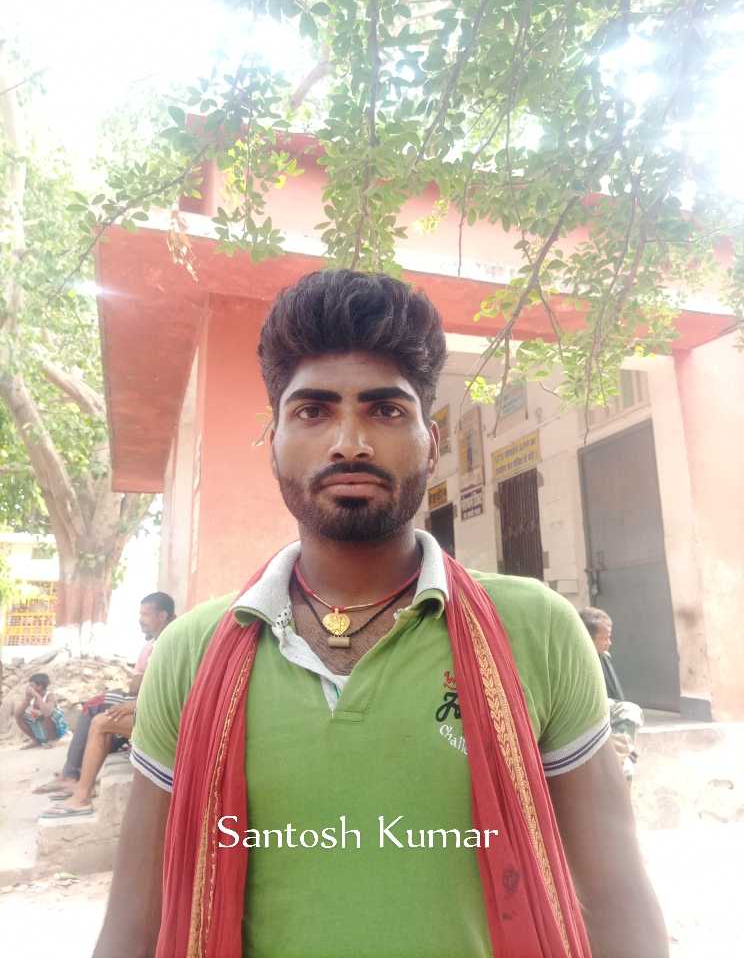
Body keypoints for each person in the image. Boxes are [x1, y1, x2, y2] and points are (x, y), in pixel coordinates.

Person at [94, 271, 668, 958]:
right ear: (273, 443)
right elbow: (134, 921)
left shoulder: (536, 629)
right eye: (313, 411)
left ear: (432, 441)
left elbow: (614, 893)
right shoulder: (192, 651)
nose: (350, 442)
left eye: (386, 410)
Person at [35, 593, 175, 813]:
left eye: (145, 614)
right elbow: (143, 685)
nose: (140, 620)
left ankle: (79, 791)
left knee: (100, 718)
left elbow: (169, 688)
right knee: (101, 713)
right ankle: (74, 779)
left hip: (165, 714)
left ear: (162, 615)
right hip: (151, 704)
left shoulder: (172, 639)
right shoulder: (158, 641)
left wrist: (136, 704)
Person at [580, 606, 644, 781]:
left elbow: (616, 697)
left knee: (629, 711)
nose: (609, 642)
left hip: (605, 721)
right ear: (587, 638)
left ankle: (619, 759)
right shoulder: (575, 662)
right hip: (586, 723)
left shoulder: (603, 657)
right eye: (605, 638)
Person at [13, 672, 68, 747]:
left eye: (31, 685)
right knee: (19, 716)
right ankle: (35, 740)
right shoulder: (31, 698)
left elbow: (47, 713)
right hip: (41, 728)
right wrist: (27, 699)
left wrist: (37, 695)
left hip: (56, 730)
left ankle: (52, 740)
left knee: (48, 714)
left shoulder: (49, 695)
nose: (29, 688)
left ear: (40, 686)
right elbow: (17, 714)